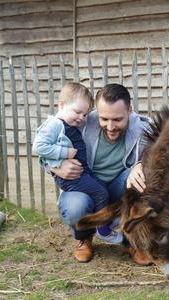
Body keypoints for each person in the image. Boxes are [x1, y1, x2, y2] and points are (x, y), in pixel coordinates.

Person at [39, 83, 149, 263]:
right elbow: (44, 152)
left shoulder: (143, 128)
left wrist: (142, 164)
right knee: (75, 207)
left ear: (130, 110)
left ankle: (133, 240)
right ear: (97, 111)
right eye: (104, 119)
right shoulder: (80, 122)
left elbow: (161, 151)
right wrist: (54, 168)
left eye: (118, 119)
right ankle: (83, 237)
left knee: (143, 181)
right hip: (86, 186)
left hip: (117, 187)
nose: (111, 126)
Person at [33, 83, 119, 245]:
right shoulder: (55, 124)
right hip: (71, 177)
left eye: (85, 114)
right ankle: (102, 228)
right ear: (62, 105)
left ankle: (105, 221)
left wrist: (127, 112)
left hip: (82, 172)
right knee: (101, 193)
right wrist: (64, 154)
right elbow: (39, 146)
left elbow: (101, 113)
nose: (81, 117)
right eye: (77, 112)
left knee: (100, 189)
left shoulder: (72, 123)